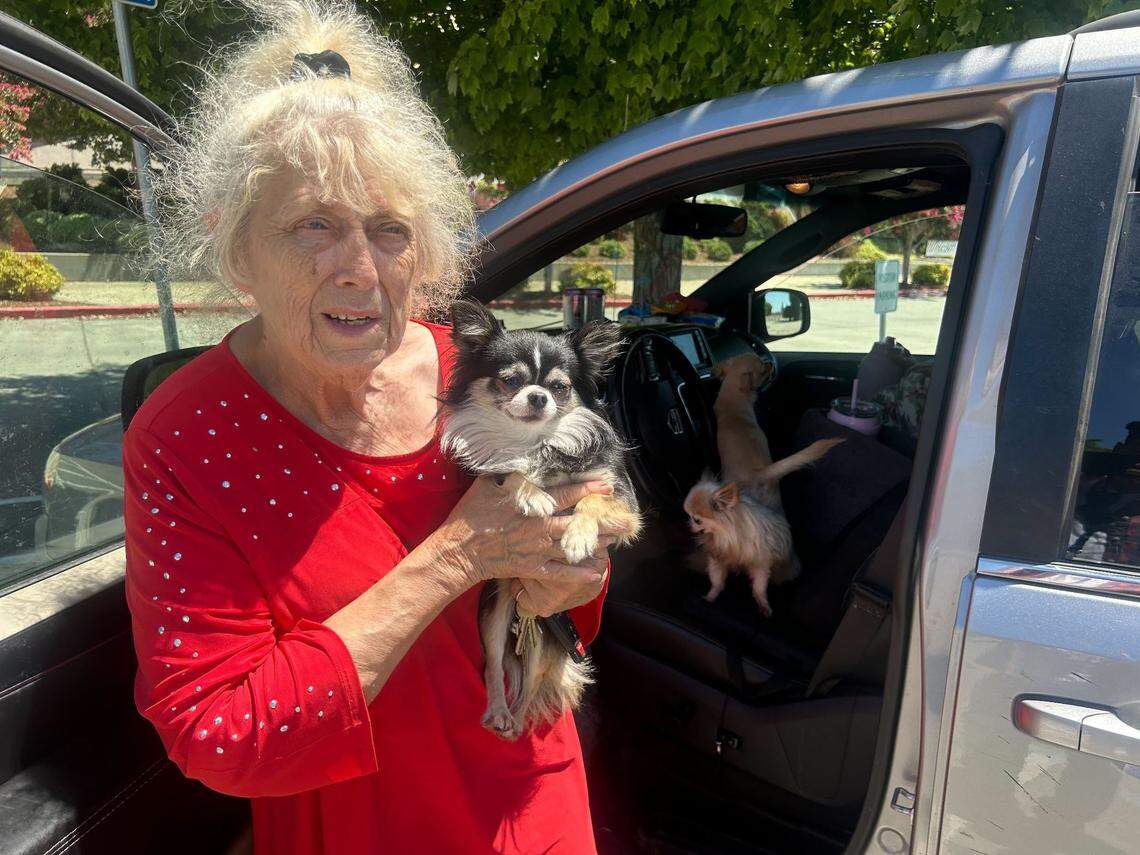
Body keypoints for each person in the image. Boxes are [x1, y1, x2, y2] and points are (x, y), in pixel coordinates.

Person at [124, 2, 619, 852]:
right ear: (235, 246)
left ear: (424, 253)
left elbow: (572, 575)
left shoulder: (484, 380)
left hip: (535, 807)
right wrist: (459, 554)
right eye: (313, 224)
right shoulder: (187, 440)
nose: (358, 268)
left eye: (389, 230)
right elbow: (218, 733)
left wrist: (576, 573)